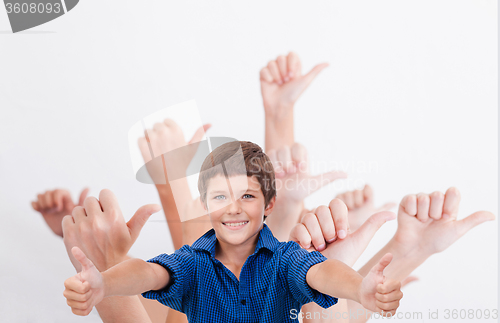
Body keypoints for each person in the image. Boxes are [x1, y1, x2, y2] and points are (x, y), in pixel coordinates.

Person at [63, 141, 403, 322]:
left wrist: (358, 289)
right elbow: (151, 272)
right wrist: (106, 279)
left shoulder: (283, 260)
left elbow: (321, 271)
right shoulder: (196, 264)